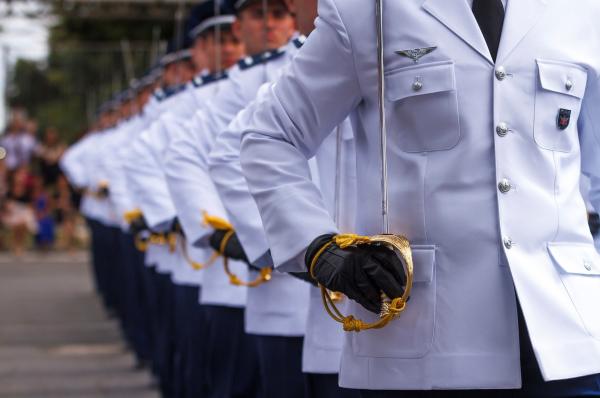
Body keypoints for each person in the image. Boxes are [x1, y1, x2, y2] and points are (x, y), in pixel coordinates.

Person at [238, 0, 600, 396]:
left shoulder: (580, 10)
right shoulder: (369, 11)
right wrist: (318, 247)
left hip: (565, 337)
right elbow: (271, 135)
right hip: (423, 337)